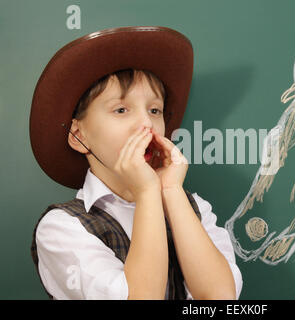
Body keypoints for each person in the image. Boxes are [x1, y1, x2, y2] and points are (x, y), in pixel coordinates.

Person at [29, 26, 242, 300]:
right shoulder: (62, 228)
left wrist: (170, 191)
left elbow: (222, 299)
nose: (146, 124)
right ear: (78, 135)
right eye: (121, 110)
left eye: (155, 110)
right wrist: (146, 192)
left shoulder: (193, 208)